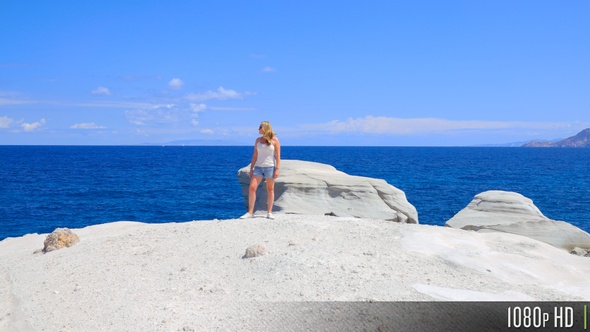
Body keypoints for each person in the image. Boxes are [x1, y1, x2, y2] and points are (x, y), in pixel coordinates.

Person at [240, 121, 281, 220]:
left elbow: (278, 156)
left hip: (270, 167)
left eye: (260, 127)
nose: (258, 129)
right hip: (258, 167)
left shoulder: (274, 140)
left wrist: (277, 169)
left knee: (270, 189)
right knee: (252, 188)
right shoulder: (258, 140)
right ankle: (250, 212)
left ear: (265, 128)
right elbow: (255, 155)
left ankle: (269, 212)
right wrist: (251, 168)